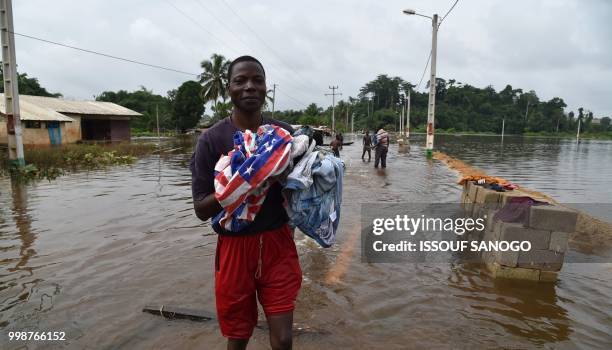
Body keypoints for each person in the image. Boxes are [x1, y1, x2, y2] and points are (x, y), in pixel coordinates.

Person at [190, 55, 301, 350]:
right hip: (234, 249)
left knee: (285, 339)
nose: (250, 86)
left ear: (266, 88)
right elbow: (201, 209)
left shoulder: (282, 135)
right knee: (238, 337)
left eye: (257, 80)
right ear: (229, 88)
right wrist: (242, 183)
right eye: (241, 81)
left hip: (279, 244)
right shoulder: (211, 140)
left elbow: (301, 187)